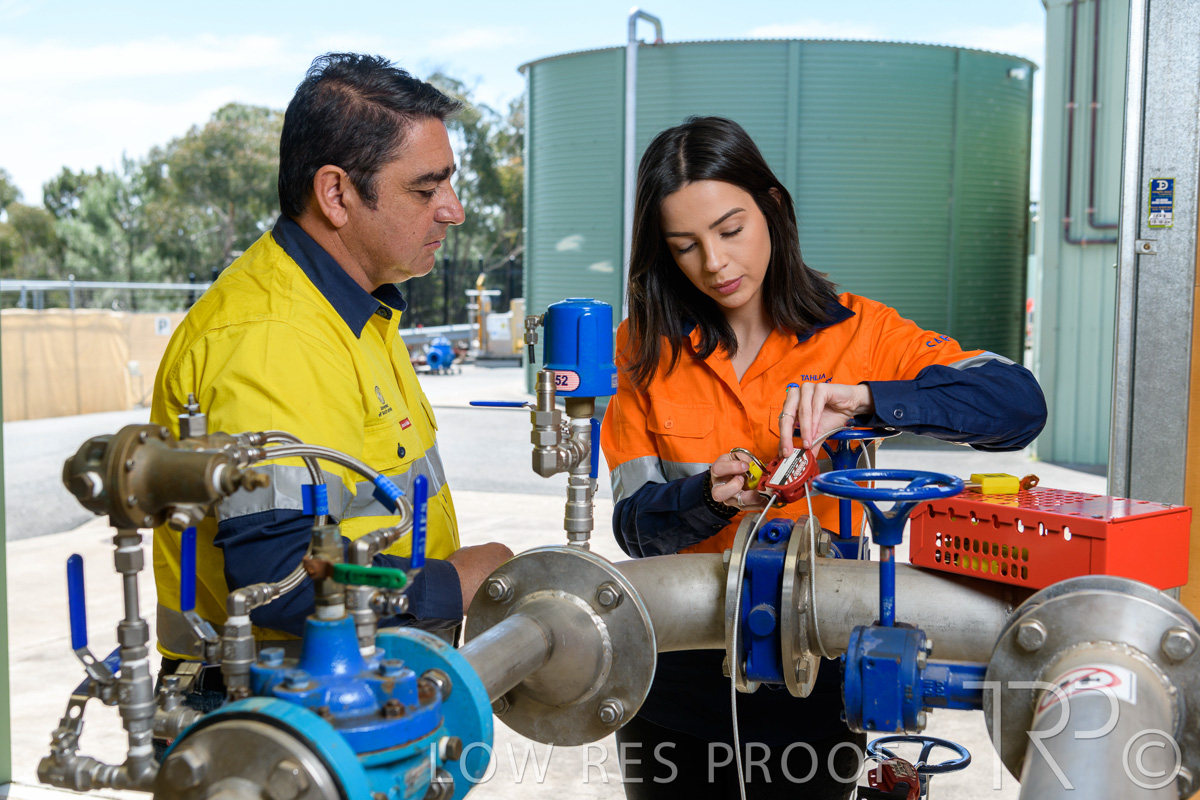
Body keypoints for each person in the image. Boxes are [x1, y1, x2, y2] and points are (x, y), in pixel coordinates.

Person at [600, 116, 1046, 799]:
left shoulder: (860, 334)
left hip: (817, 688)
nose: (714, 263)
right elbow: (635, 527)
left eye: (730, 230)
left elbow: (1016, 404)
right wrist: (708, 499)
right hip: (672, 691)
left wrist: (866, 400)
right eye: (685, 246)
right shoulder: (640, 348)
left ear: (773, 208)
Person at [149, 53, 512, 685]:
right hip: (277, 704)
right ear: (336, 194)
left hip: (350, 685)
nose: (452, 210)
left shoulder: (355, 311)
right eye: (425, 190)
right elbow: (280, 578)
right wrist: (452, 585)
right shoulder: (274, 336)